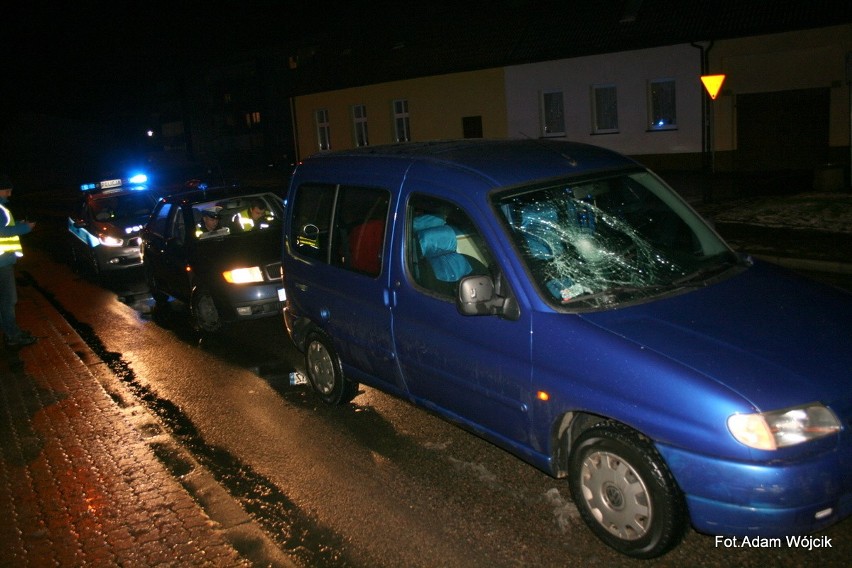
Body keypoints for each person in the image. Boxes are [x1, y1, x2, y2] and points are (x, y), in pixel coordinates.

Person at [0, 174, 37, 347]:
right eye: (8, 190)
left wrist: (18, 224)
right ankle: (13, 336)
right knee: (8, 300)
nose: (10, 194)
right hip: (1, 263)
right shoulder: (0, 209)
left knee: (5, 301)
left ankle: (10, 333)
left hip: (3, 262)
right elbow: (2, 232)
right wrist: (25, 227)